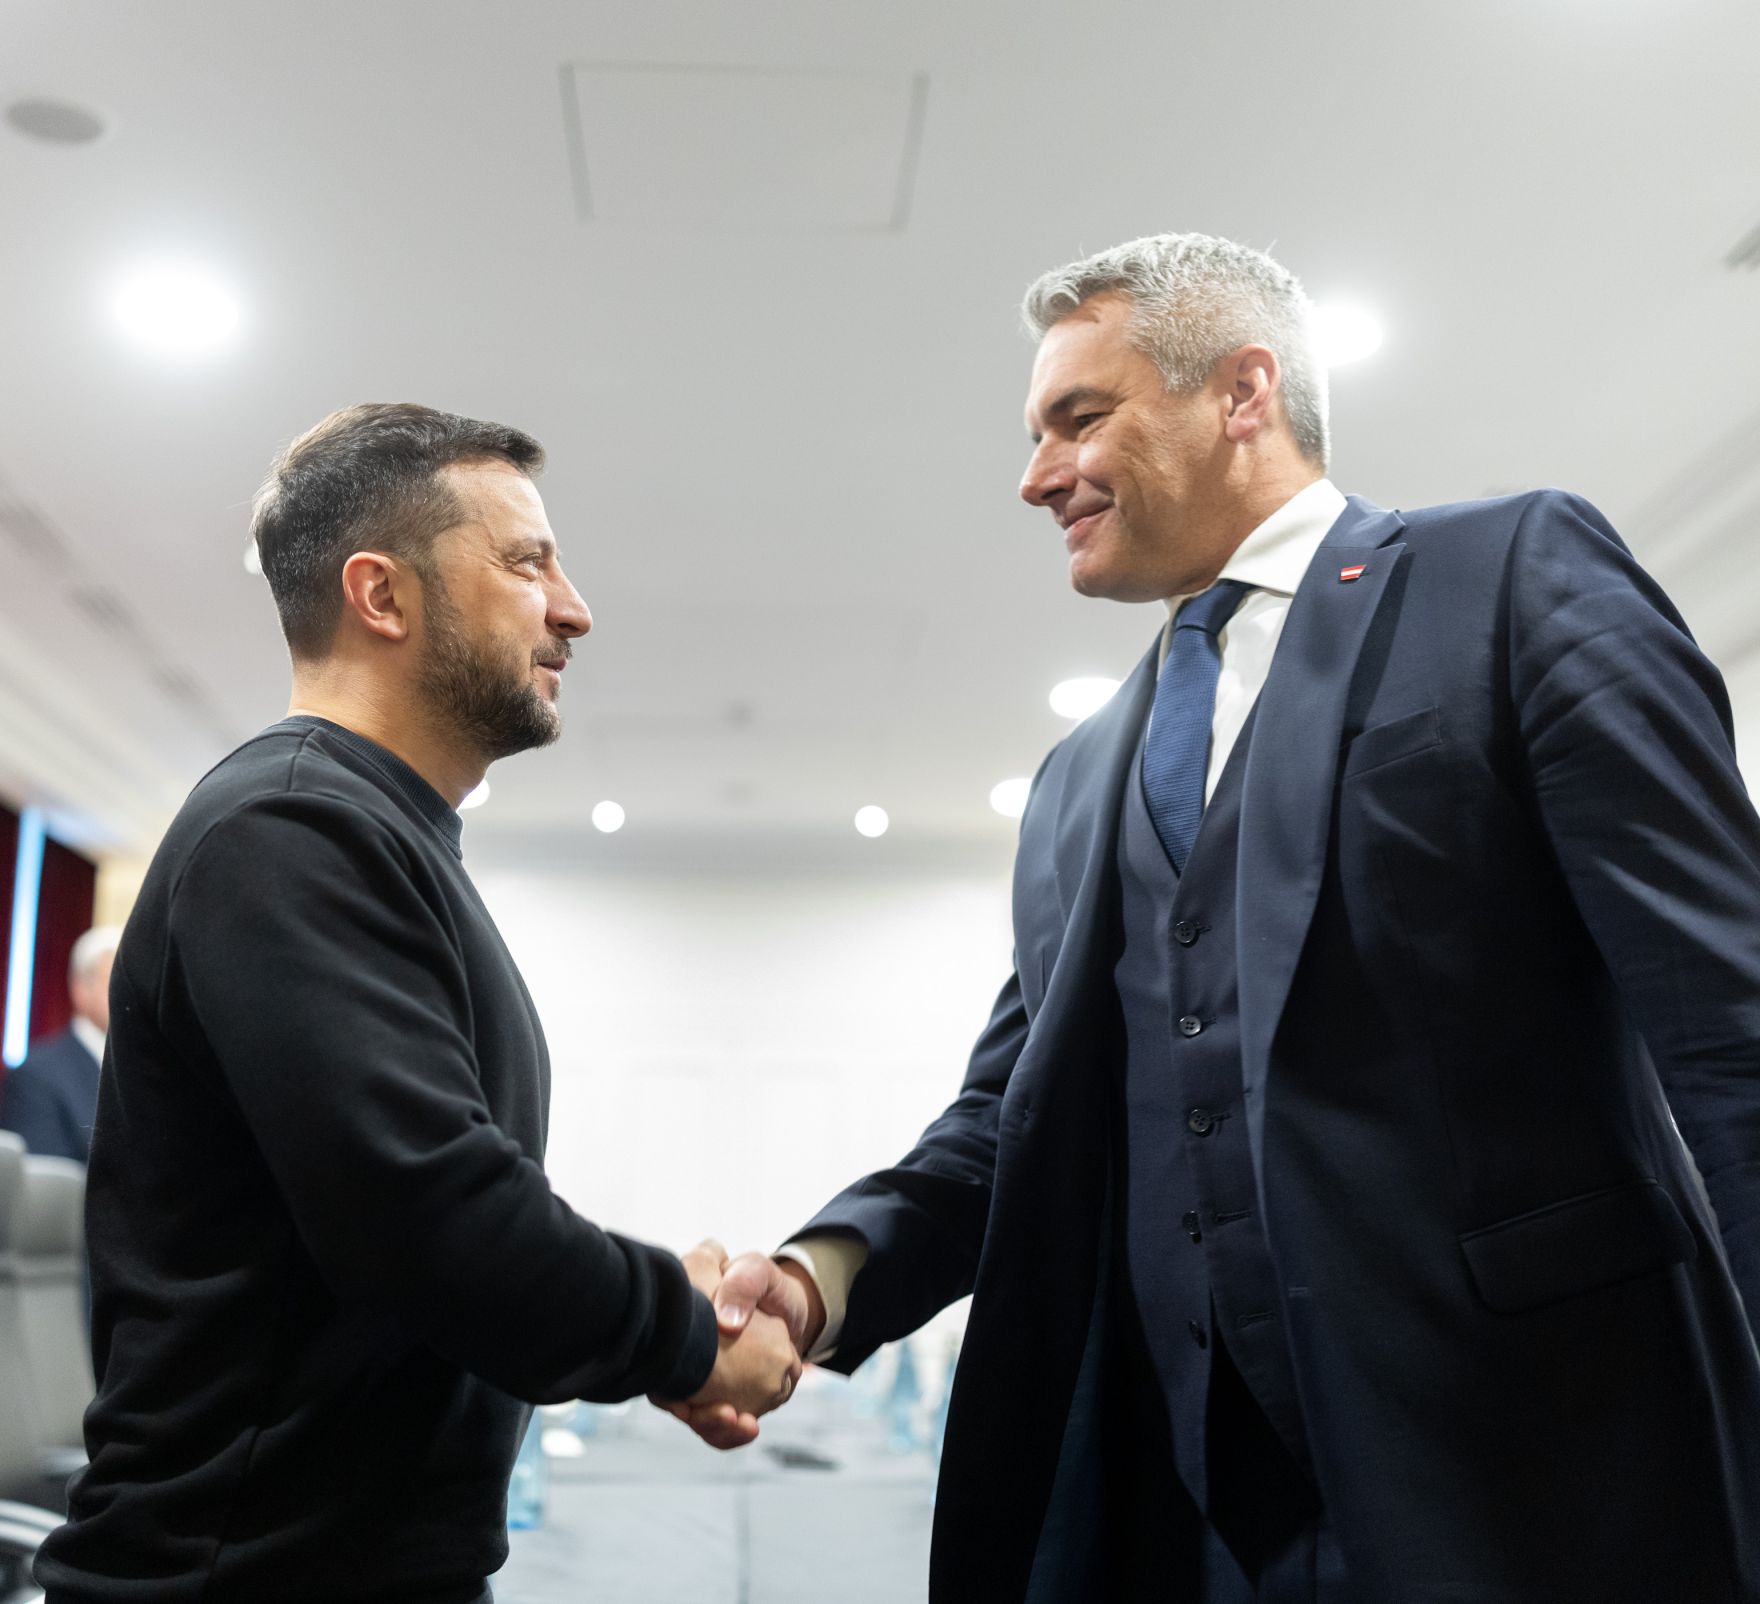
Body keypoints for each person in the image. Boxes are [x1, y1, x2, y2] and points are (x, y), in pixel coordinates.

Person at [700, 235, 1760, 1602]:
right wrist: (818, 1277)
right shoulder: (1080, 781)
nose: (1035, 477)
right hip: (1186, 1517)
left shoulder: (1506, 578)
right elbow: (1015, 1118)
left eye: (1080, 417)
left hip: (1541, 1471)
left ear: (1243, 391)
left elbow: (1728, 1021)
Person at [35, 404, 802, 1604]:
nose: (573, 607)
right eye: (525, 560)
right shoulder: (285, 830)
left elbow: (440, 1204)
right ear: (380, 596)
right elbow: (437, 1219)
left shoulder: (375, 836)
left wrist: (660, 1316)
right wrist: (688, 1329)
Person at [0, 925, 119, 1163]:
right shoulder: (37, 1076)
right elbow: (46, 1190)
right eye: (115, 981)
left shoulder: (151, 1071)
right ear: (80, 989)